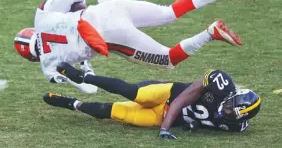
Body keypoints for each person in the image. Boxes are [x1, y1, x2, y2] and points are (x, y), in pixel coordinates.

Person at [14, 0, 256, 93]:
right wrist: (76, 12)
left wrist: (82, 64)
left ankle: (210, 33)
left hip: (109, 34)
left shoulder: (48, 66)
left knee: (168, 59)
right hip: (106, 9)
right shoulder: (41, 18)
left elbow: (83, 85)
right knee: (168, 12)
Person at [43, 62, 261, 139]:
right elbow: (184, 99)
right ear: (233, 97)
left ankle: (71, 103)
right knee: (132, 92)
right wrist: (165, 128)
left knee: (117, 113)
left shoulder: (236, 126)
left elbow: (210, 125)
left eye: (235, 114)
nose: (229, 112)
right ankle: (82, 76)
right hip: (169, 94)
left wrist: (192, 125)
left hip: (163, 117)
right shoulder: (220, 84)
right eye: (232, 108)